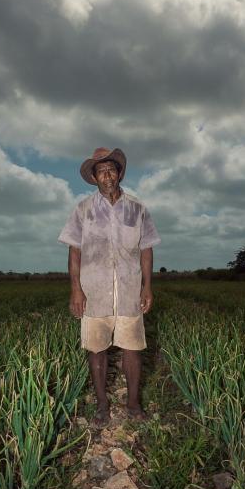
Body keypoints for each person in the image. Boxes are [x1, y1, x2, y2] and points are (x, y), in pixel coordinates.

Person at [58, 147, 161, 428]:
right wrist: (76, 290)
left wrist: (147, 287)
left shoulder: (138, 209)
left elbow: (147, 250)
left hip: (129, 291)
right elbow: (74, 252)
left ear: (119, 173)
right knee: (96, 349)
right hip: (94, 291)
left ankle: (133, 404)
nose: (107, 175)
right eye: (100, 170)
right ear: (94, 177)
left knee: (132, 349)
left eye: (111, 169)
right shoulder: (83, 210)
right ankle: (102, 405)